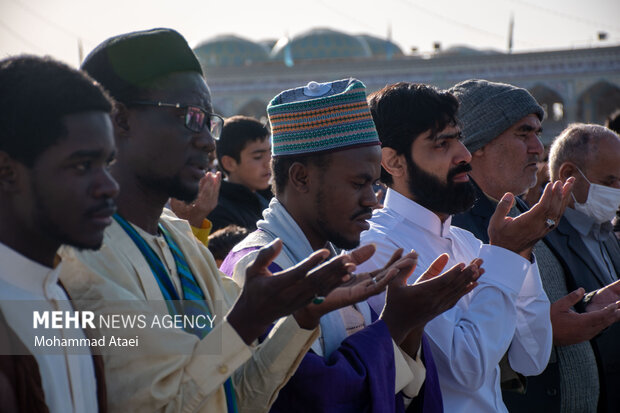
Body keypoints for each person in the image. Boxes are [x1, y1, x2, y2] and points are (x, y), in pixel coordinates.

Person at [58, 28, 381, 413]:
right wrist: (246, 321)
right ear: (120, 119)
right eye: (190, 117)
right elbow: (158, 406)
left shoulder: (182, 245)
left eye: (209, 122)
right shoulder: (82, 255)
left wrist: (302, 316)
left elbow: (237, 397)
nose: (209, 143)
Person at [222, 78, 483, 413]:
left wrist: (413, 329)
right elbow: (306, 397)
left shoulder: (338, 261)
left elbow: (395, 388)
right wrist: (396, 324)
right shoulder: (259, 270)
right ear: (301, 178)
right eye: (358, 183)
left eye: (374, 184)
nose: (372, 201)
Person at [358, 82, 571, 413]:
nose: (464, 154)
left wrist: (521, 250)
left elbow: (531, 356)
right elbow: (466, 370)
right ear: (393, 161)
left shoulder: (466, 242)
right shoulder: (378, 248)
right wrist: (506, 253)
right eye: (442, 144)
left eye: (459, 138)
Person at [449, 80, 620, 413]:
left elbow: (538, 303)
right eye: (522, 134)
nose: (537, 148)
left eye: (537, 133)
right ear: (478, 143)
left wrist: (585, 304)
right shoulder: (457, 228)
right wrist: (545, 332)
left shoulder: (525, 211)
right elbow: (455, 349)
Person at [0, 55, 118, 412]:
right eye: (83, 165)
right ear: (7, 171)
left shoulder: (58, 294)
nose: (109, 186)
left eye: (107, 164)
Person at [546, 123, 620, 411]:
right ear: (568, 176)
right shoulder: (544, 238)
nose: (617, 191)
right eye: (609, 180)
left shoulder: (607, 233)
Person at [208, 115, 272, 231]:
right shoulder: (218, 212)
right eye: (258, 157)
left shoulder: (268, 199)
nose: (269, 163)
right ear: (229, 163)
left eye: (270, 153)